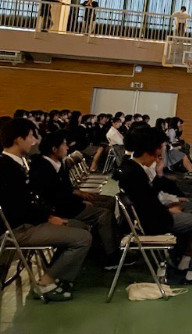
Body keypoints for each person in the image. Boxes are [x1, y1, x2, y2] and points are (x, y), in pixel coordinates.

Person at [0, 118, 93, 301]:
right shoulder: (6, 168)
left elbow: (31, 199)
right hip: (19, 229)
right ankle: (45, 282)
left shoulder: (18, 163)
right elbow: (19, 207)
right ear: (19, 139)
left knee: (82, 227)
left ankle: (59, 274)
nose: (34, 141)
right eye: (31, 136)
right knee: (83, 238)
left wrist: (49, 215)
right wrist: (49, 218)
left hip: (29, 221)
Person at [118, 127, 192, 284]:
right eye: (162, 146)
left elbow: (149, 197)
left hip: (153, 216)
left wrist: (162, 179)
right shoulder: (134, 174)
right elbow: (147, 205)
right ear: (154, 148)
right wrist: (170, 209)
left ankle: (185, 259)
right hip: (154, 222)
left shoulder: (133, 168)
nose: (164, 149)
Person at [29, 131, 122, 270]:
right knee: (104, 214)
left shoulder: (58, 163)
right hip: (61, 209)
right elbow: (55, 196)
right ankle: (111, 257)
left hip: (68, 202)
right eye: (64, 145)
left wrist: (78, 194)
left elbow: (66, 189)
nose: (67, 147)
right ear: (54, 149)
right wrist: (80, 201)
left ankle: (107, 245)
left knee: (109, 201)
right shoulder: (42, 168)